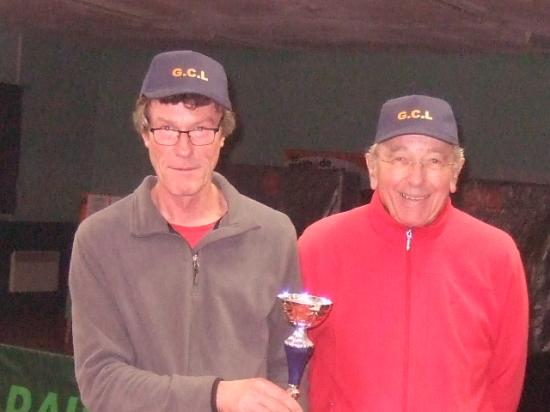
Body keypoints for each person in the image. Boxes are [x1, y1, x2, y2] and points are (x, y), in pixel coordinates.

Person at [69, 50, 304, 412]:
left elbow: (287, 365)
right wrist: (216, 396)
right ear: (145, 134)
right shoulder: (99, 238)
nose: (184, 149)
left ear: (223, 136)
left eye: (200, 130)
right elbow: (100, 383)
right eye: (166, 129)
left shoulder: (273, 233)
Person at [298, 95, 529, 411]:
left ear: (455, 172)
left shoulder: (496, 255)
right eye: (400, 159)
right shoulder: (320, 245)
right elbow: (289, 364)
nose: (416, 179)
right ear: (373, 168)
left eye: (434, 161)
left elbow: (504, 382)